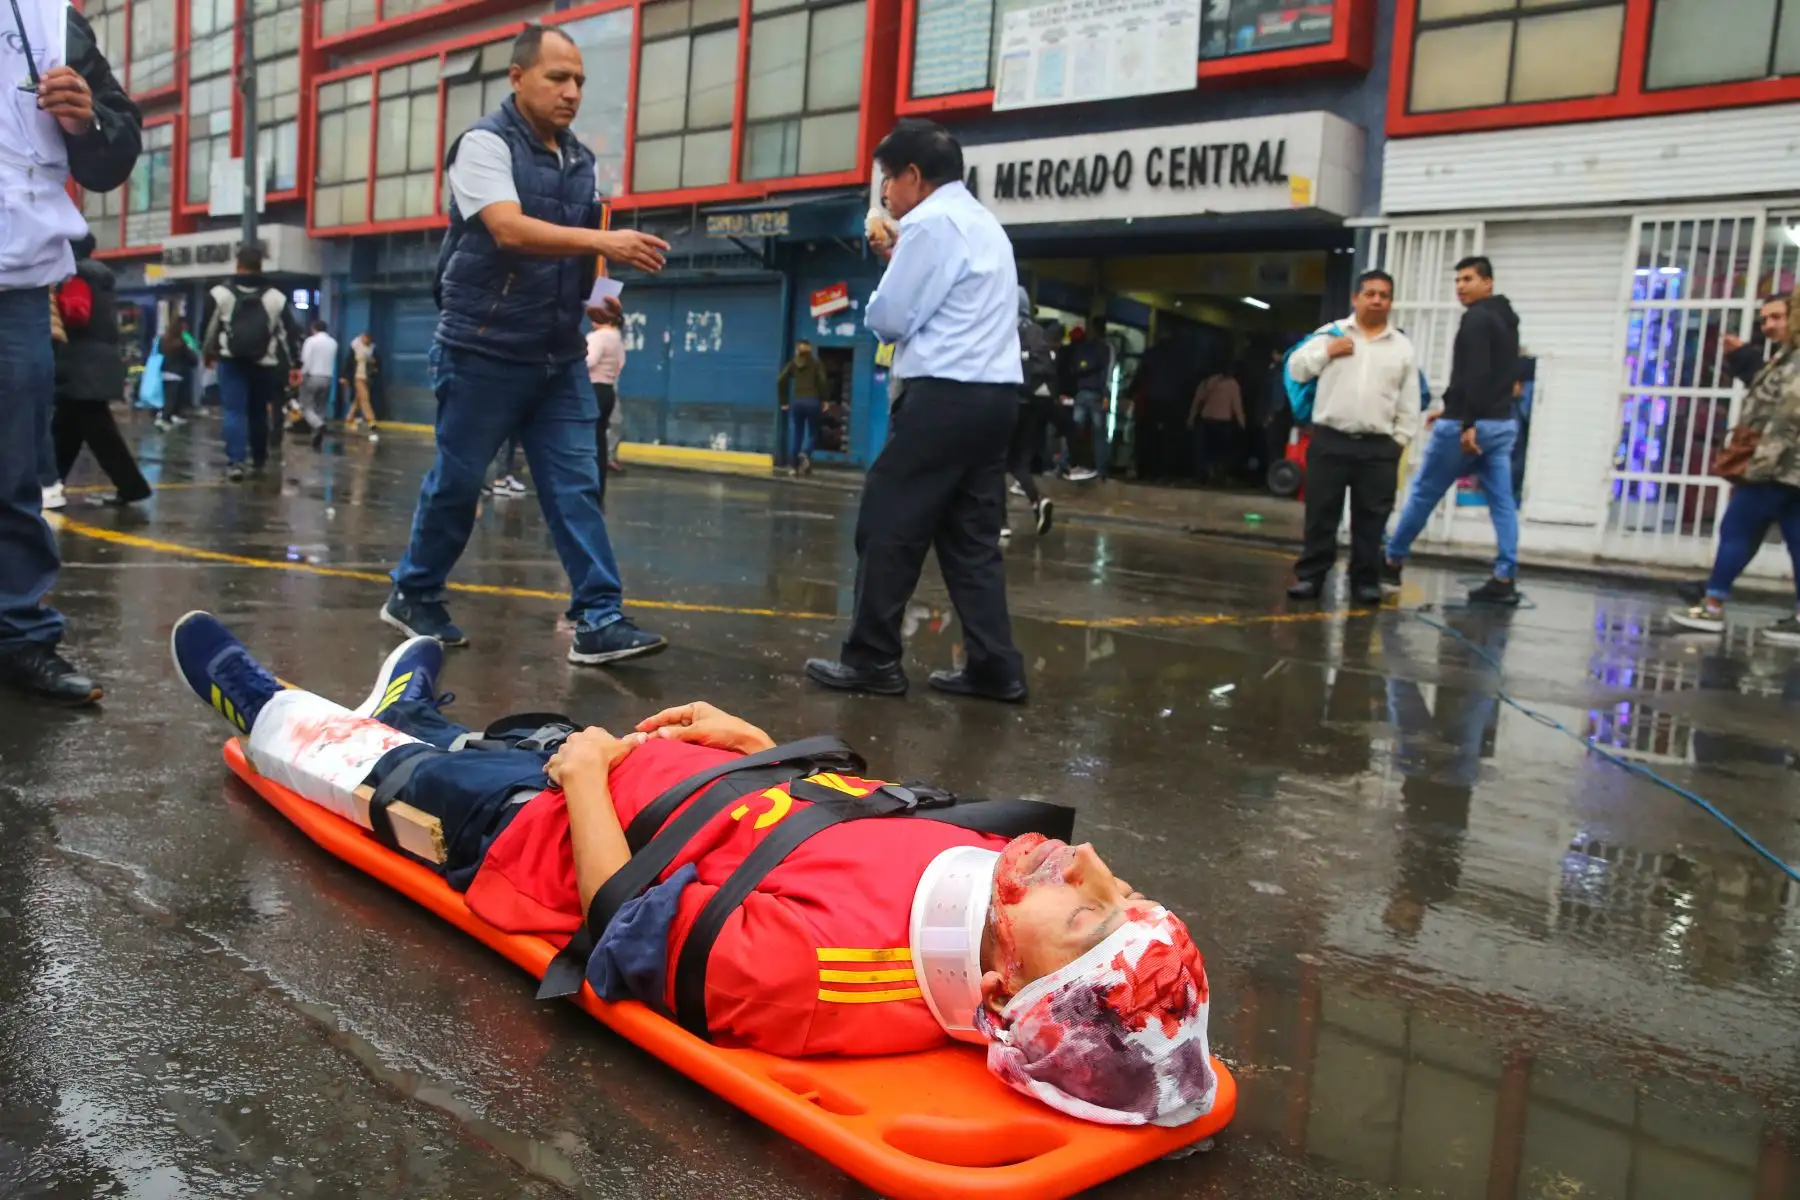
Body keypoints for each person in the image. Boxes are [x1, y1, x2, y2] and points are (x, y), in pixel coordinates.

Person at [171, 610, 1217, 1125]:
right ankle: (413, 712)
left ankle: (273, 709)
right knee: (504, 739)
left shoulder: (824, 978)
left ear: (998, 990)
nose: (1085, 864)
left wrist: (584, 782)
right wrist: (760, 743)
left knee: (391, 779)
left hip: (535, 836)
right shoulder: (995, 884)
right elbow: (852, 828)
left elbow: (628, 932)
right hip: (656, 780)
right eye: (1119, 890)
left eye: (1087, 918)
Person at [385, 24, 671, 664]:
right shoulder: (483, 145)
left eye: (579, 82)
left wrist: (594, 301)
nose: (572, 92)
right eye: (557, 78)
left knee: (577, 486)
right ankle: (415, 591)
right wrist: (603, 243)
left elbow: (562, 249)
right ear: (517, 78)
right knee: (459, 483)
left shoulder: (579, 159)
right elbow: (509, 230)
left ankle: (599, 615)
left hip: (558, 353)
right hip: (482, 348)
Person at [804, 121, 1028, 703]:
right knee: (971, 538)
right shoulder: (984, 224)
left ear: (912, 176)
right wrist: (898, 255)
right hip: (995, 397)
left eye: (887, 178)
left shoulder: (929, 222)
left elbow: (890, 317)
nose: (884, 193)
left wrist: (893, 263)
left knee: (888, 522)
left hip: (945, 395)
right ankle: (995, 666)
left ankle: (872, 658)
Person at [0, 0, 141, 703]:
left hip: (13, 282)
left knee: (15, 473)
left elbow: (119, 144)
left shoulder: (52, 21)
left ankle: (21, 637)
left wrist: (87, 120)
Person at [1383, 256, 1522, 605]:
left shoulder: (1475, 319)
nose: (1460, 286)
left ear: (1487, 282)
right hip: (1503, 424)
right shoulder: (1507, 318)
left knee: (1425, 492)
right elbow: (1498, 375)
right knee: (1503, 503)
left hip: (1469, 426)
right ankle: (1505, 576)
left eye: (1468, 279)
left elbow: (1474, 374)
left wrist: (1466, 421)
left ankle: (1391, 560)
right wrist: (1454, 408)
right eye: (1457, 280)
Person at [1668, 288, 1800, 644]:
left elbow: (1788, 416)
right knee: (1796, 540)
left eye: (1777, 317)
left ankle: (1712, 607)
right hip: (1791, 471)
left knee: (1736, 528)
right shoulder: (1786, 358)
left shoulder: (1795, 360)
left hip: (1775, 467)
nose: (1769, 325)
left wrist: (1759, 465)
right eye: (1764, 319)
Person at [1286, 270, 1421, 604]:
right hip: (1330, 439)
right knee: (1321, 514)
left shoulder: (1401, 347)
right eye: (1370, 293)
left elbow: (1409, 401)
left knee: (1371, 520)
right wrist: (1326, 352)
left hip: (1379, 448)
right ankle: (1310, 578)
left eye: (1384, 295)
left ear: (1390, 301)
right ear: (1356, 298)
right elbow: (1296, 370)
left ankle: (1364, 581)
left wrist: (1399, 441)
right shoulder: (1331, 334)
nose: (1377, 300)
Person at [51, 234, 151, 508]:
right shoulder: (100, 278)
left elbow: (75, 315)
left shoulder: (74, 275)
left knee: (98, 432)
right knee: (67, 430)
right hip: (94, 362)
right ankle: (48, 483)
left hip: (81, 362)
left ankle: (132, 487)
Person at [202, 245, 304, 482]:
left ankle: (236, 462)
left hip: (231, 361)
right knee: (259, 412)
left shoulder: (220, 294)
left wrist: (208, 353)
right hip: (264, 363)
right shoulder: (276, 297)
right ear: (261, 266)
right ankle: (259, 459)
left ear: (238, 265)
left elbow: (208, 330)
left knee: (234, 411)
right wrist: (295, 365)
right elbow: (288, 334)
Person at [1006, 287, 1056, 539]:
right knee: (1017, 462)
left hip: (1008, 401)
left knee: (995, 460)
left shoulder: (1005, 329)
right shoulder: (1038, 332)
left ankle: (1000, 523)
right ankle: (1038, 500)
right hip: (1033, 407)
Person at [585, 304, 625, 504]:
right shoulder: (617, 337)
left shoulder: (597, 337)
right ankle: (598, 490)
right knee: (600, 442)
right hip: (608, 390)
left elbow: (590, 361)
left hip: (592, 389)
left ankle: (585, 488)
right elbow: (619, 365)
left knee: (586, 442)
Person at [777, 339, 829, 476]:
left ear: (797, 350)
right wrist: (824, 399)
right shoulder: (816, 363)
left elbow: (780, 380)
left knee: (797, 434)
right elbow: (822, 381)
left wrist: (784, 401)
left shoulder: (793, 363)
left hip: (797, 402)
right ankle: (805, 453)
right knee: (813, 432)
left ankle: (794, 468)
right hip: (812, 401)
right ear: (810, 350)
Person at [1066, 326, 1112, 481]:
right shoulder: (1106, 349)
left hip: (1081, 393)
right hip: (1099, 395)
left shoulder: (1081, 350)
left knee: (1074, 430)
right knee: (1100, 432)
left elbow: (1073, 369)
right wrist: (1107, 398)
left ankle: (1065, 465)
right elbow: (1108, 374)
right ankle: (1101, 470)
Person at [1188, 368, 1245, 484]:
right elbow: (1236, 405)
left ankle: (1208, 473)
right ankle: (1219, 475)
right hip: (1223, 421)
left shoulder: (1206, 382)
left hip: (1207, 419)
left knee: (1208, 449)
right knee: (1222, 450)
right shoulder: (1232, 383)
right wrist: (1242, 422)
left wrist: (1191, 418)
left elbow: (1197, 402)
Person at [297, 319, 338, 450]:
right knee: (321, 406)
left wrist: (302, 375)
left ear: (314, 328)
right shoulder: (333, 343)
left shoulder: (311, 341)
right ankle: (317, 436)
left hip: (312, 376)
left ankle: (318, 425)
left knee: (306, 406)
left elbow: (306, 360)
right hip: (327, 377)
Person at [155, 314, 199, 431]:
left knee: (169, 396)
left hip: (165, 372)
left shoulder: (164, 340)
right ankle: (164, 419)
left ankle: (168, 417)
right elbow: (192, 358)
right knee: (172, 398)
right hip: (176, 373)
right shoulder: (182, 342)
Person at [341, 330, 381, 440]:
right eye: (364, 338)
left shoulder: (372, 349)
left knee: (358, 400)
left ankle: (349, 419)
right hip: (357, 377)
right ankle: (371, 421)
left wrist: (375, 369)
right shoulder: (355, 347)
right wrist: (344, 376)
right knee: (365, 398)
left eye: (367, 338)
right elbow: (348, 362)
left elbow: (377, 363)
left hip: (367, 377)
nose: (365, 340)